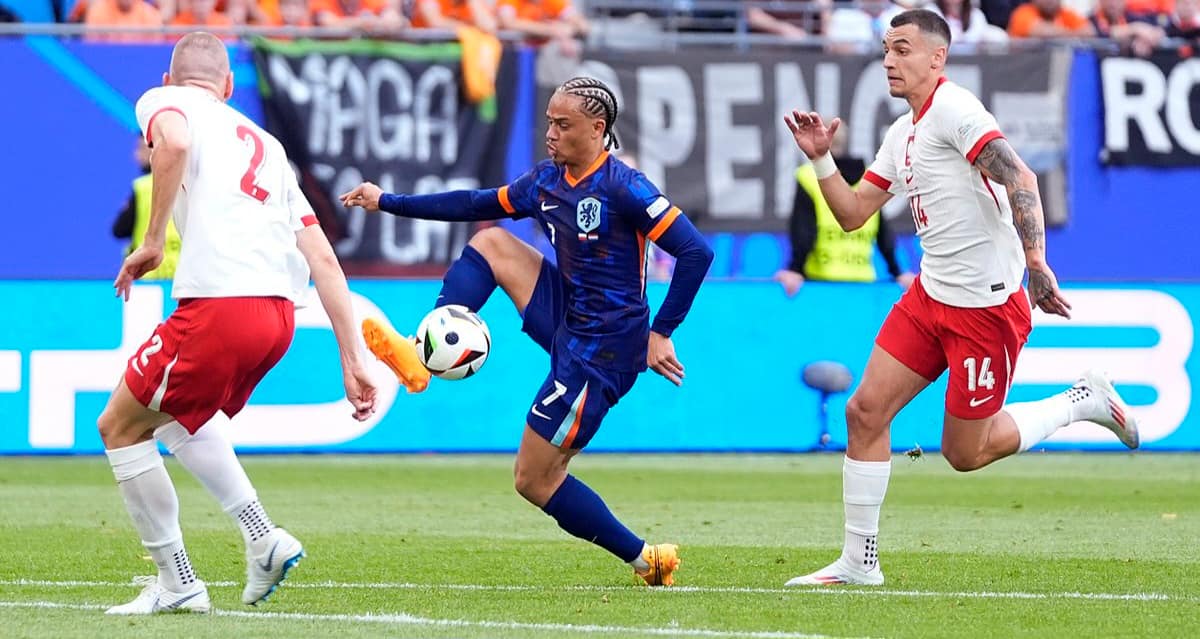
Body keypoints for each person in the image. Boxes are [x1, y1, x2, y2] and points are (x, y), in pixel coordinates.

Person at [781, 9, 1139, 587]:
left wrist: (1036, 263)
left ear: (937, 57)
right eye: (886, 49)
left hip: (984, 308)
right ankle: (859, 563)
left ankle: (1082, 400)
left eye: (902, 49)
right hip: (930, 297)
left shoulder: (956, 110)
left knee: (965, 453)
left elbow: (1021, 177)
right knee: (864, 412)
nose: (889, 60)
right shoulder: (902, 133)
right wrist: (821, 158)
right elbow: (851, 215)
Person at [339, 76, 714, 587]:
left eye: (564, 125)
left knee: (534, 479)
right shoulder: (546, 181)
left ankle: (647, 560)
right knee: (492, 243)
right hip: (568, 314)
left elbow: (695, 252)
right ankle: (421, 347)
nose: (551, 134)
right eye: (548, 123)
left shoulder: (624, 187)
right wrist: (388, 200)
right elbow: (474, 204)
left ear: (597, 129)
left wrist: (661, 331)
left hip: (604, 351)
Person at [100, 32, 377, 614]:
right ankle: (261, 536)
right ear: (228, 86)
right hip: (277, 317)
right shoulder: (268, 146)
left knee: (119, 428)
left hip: (219, 305)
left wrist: (154, 240)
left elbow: (174, 142)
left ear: (171, 79)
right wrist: (353, 359)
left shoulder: (163, 101)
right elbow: (323, 259)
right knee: (177, 420)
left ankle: (177, 582)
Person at [775, 123, 915, 297]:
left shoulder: (808, 177)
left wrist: (794, 269)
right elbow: (883, 231)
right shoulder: (869, 176)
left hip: (820, 283)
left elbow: (803, 231)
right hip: (862, 281)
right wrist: (898, 271)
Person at [112, 137, 182, 280]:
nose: (136, 155)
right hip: (184, 274)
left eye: (141, 148)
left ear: (155, 150)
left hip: (149, 275)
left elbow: (119, 230)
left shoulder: (142, 187)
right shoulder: (190, 185)